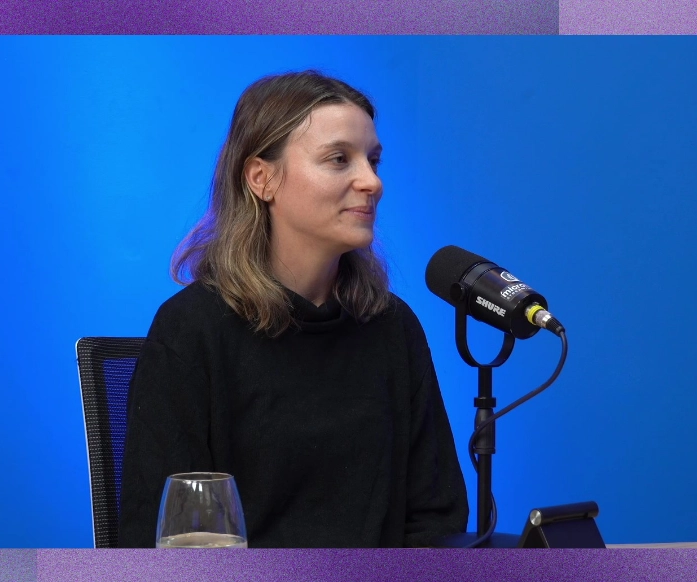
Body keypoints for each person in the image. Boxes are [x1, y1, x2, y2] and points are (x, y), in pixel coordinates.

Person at [116, 70, 468, 548]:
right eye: (339, 159)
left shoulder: (392, 327)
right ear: (262, 179)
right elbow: (160, 537)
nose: (372, 182)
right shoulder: (191, 329)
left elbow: (436, 520)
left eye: (373, 160)